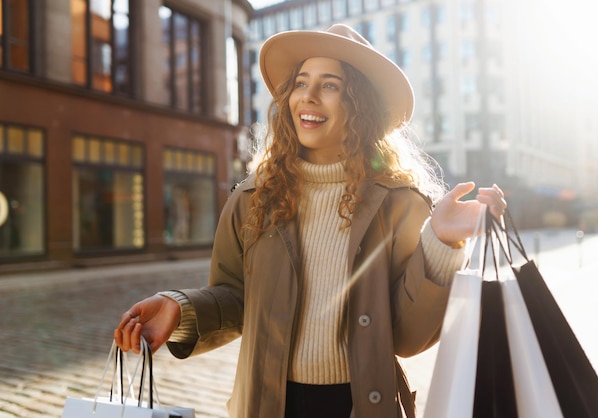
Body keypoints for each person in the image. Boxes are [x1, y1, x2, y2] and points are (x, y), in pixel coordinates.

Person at [115, 24, 507, 418]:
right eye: (301, 82)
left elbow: (407, 336)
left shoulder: (401, 204)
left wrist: (441, 241)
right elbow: (236, 298)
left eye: (331, 85)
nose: (308, 96)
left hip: (360, 405)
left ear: (360, 104)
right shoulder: (253, 198)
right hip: (268, 405)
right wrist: (180, 309)